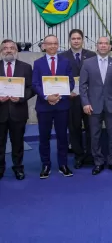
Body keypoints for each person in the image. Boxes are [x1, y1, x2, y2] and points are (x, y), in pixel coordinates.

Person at [80, 36, 112, 175]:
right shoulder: (87, 63)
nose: (103, 46)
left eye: (106, 44)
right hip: (93, 106)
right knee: (95, 136)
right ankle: (98, 162)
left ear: (110, 47)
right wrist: (85, 103)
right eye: (101, 43)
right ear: (96, 46)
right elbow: (82, 86)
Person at [32, 35, 75, 179]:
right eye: (49, 44)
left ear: (58, 45)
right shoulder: (37, 63)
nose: (52, 46)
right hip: (44, 107)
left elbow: (71, 82)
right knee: (44, 137)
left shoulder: (66, 61)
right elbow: (35, 84)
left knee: (62, 137)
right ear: (44, 45)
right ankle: (46, 165)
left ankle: (63, 164)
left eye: (55, 43)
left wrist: (60, 96)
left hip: (61, 105)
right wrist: (46, 97)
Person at [59, 29, 96, 169]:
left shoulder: (92, 55)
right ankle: (79, 156)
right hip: (71, 99)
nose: (76, 41)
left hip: (90, 99)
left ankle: (90, 155)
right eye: (73, 38)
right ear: (70, 40)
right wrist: (66, 91)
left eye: (78, 38)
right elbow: (60, 77)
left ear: (82, 40)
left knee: (91, 128)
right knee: (74, 129)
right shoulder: (62, 57)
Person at [0, 40, 34, 180]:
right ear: (1, 51)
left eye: (12, 48)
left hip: (18, 112)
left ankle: (18, 168)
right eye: (5, 48)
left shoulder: (26, 67)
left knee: (18, 143)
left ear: (16, 51)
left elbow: (31, 88)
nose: (8, 50)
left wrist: (20, 98)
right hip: (0, 112)